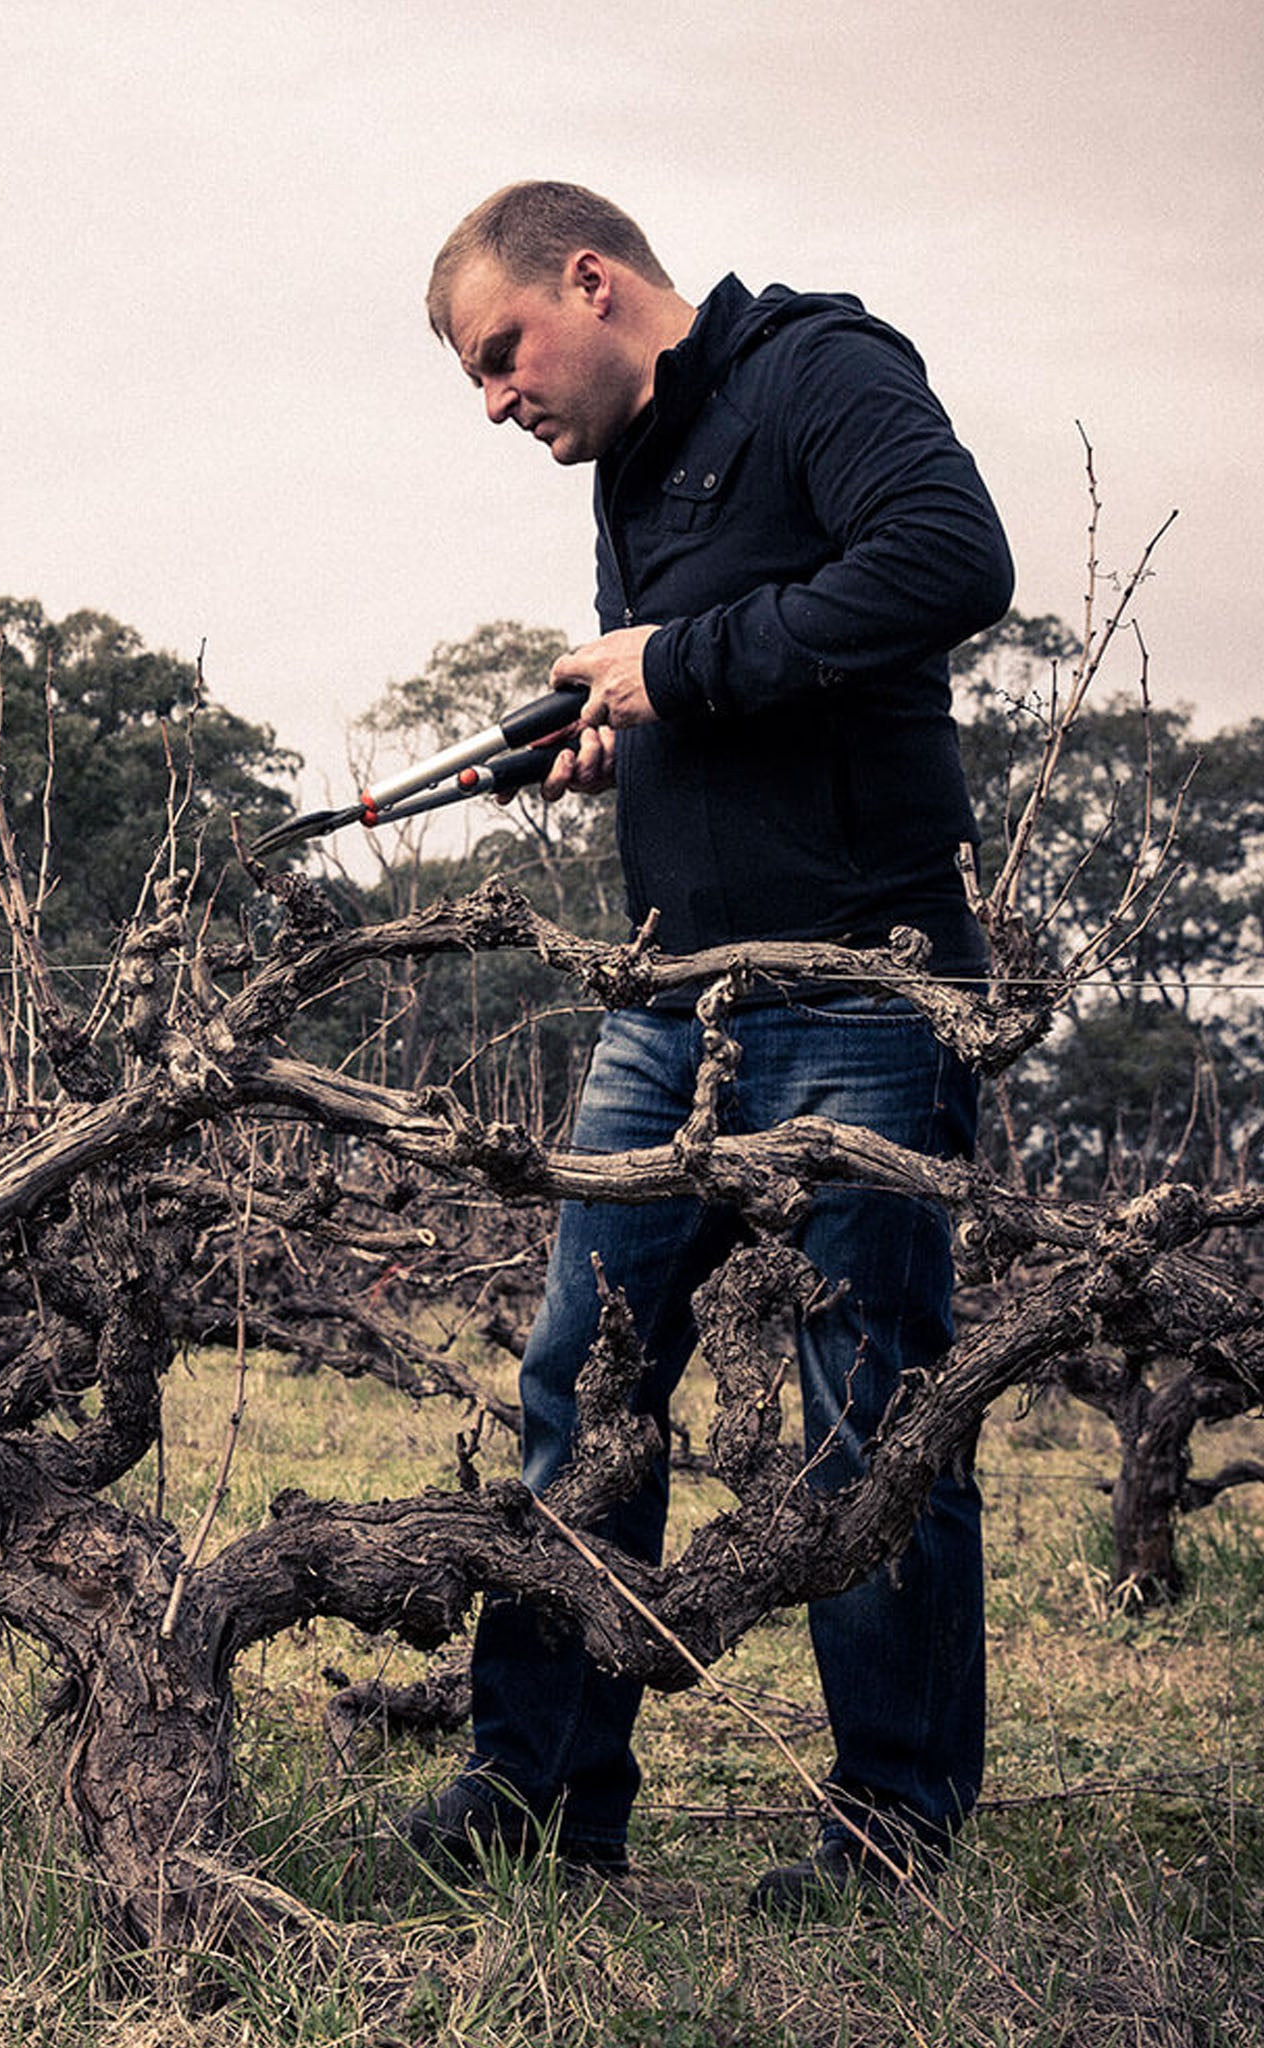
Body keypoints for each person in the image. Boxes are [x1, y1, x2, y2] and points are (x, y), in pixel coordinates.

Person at [401, 181, 1014, 1912]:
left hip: (867, 985)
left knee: (869, 1418)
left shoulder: (822, 366)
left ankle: (893, 1834)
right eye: (477, 384)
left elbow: (954, 562)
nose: (500, 400)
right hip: (673, 998)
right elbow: (704, 687)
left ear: (590, 281)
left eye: (501, 355)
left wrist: (681, 664)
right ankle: (543, 1798)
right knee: (578, 1380)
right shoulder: (624, 473)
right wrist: (619, 732)